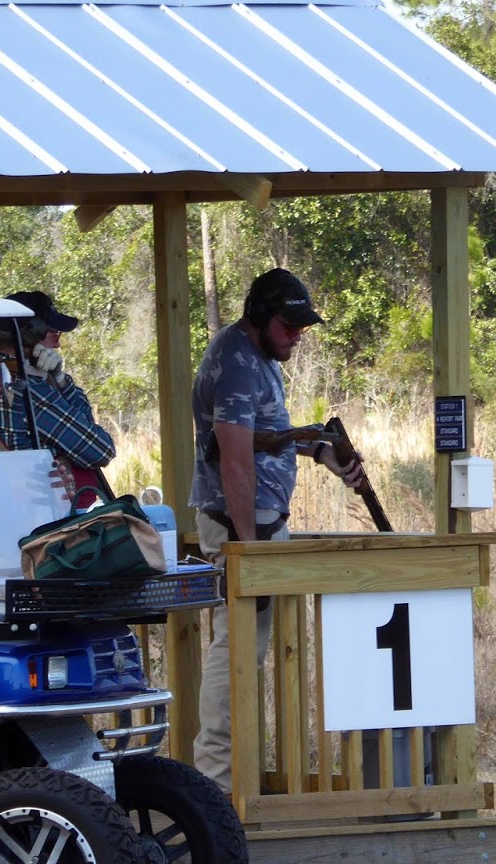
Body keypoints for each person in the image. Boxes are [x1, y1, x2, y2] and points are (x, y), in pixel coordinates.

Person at [189, 268, 367, 792]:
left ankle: (226, 786)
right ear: (263, 318)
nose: (297, 335)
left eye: (301, 327)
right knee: (237, 652)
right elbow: (235, 461)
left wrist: (318, 452)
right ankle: (217, 788)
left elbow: (263, 438)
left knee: (249, 653)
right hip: (244, 530)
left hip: (257, 527)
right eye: (289, 325)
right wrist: (250, 550)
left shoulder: (255, 359)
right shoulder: (239, 366)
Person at [0, 290, 115, 492]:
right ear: (31, 336)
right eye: (54, 334)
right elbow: (102, 450)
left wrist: (60, 380)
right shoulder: (29, 391)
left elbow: (85, 425)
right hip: (63, 514)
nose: (58, 343)